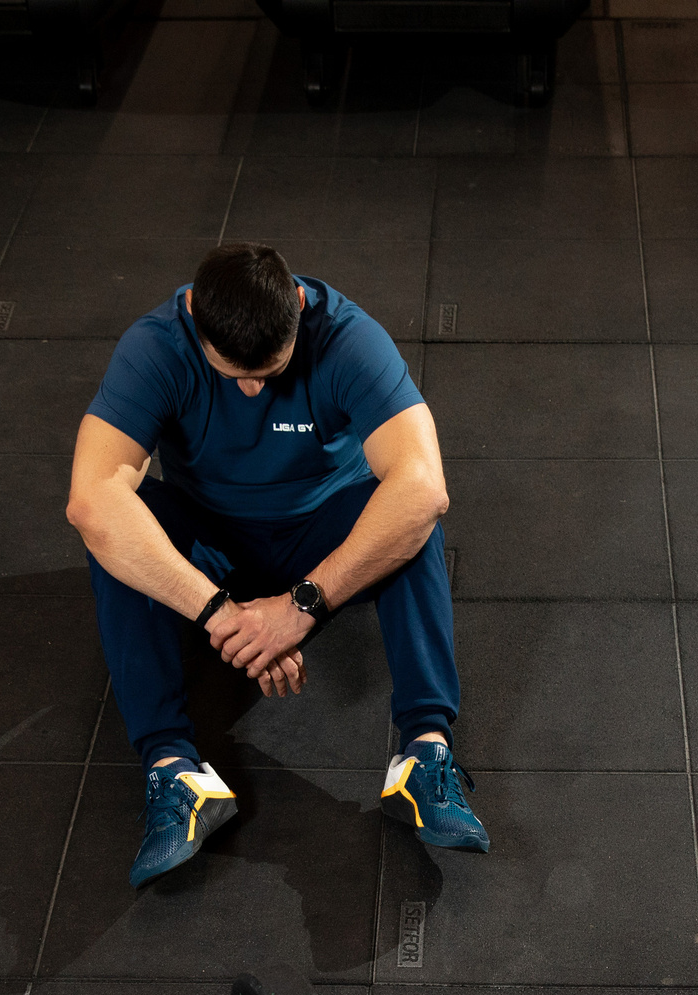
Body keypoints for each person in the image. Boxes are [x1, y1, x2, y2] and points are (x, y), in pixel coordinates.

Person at [66, 242, 489, 888]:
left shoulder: (349, 338)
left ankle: (425, 755)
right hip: (210, 546)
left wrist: (301, 608)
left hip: (319, 539)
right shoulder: (155, 347)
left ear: (296, 307)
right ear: (191, 315)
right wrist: (220, 612)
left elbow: (425, 484)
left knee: (410, 515)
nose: (254, 388)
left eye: (269, 369)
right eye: (234, 374)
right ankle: (174, 770)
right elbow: (91, 499)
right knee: (116, 526)